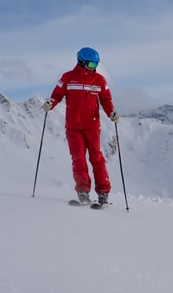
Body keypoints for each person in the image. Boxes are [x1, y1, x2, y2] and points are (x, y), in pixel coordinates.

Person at [42, 47, 119, 205]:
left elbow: (106, 100)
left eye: (96, 65)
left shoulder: (99, 80)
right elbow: (57, 94)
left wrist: (111, 112)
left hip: (91, 126)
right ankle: (83, 192)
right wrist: (51, 103)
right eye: (91, 65)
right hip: (73, 127)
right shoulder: (67, 78)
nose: (94, 68)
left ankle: (103, 193)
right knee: (78, 159)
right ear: (82, 62)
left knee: (96, 158)